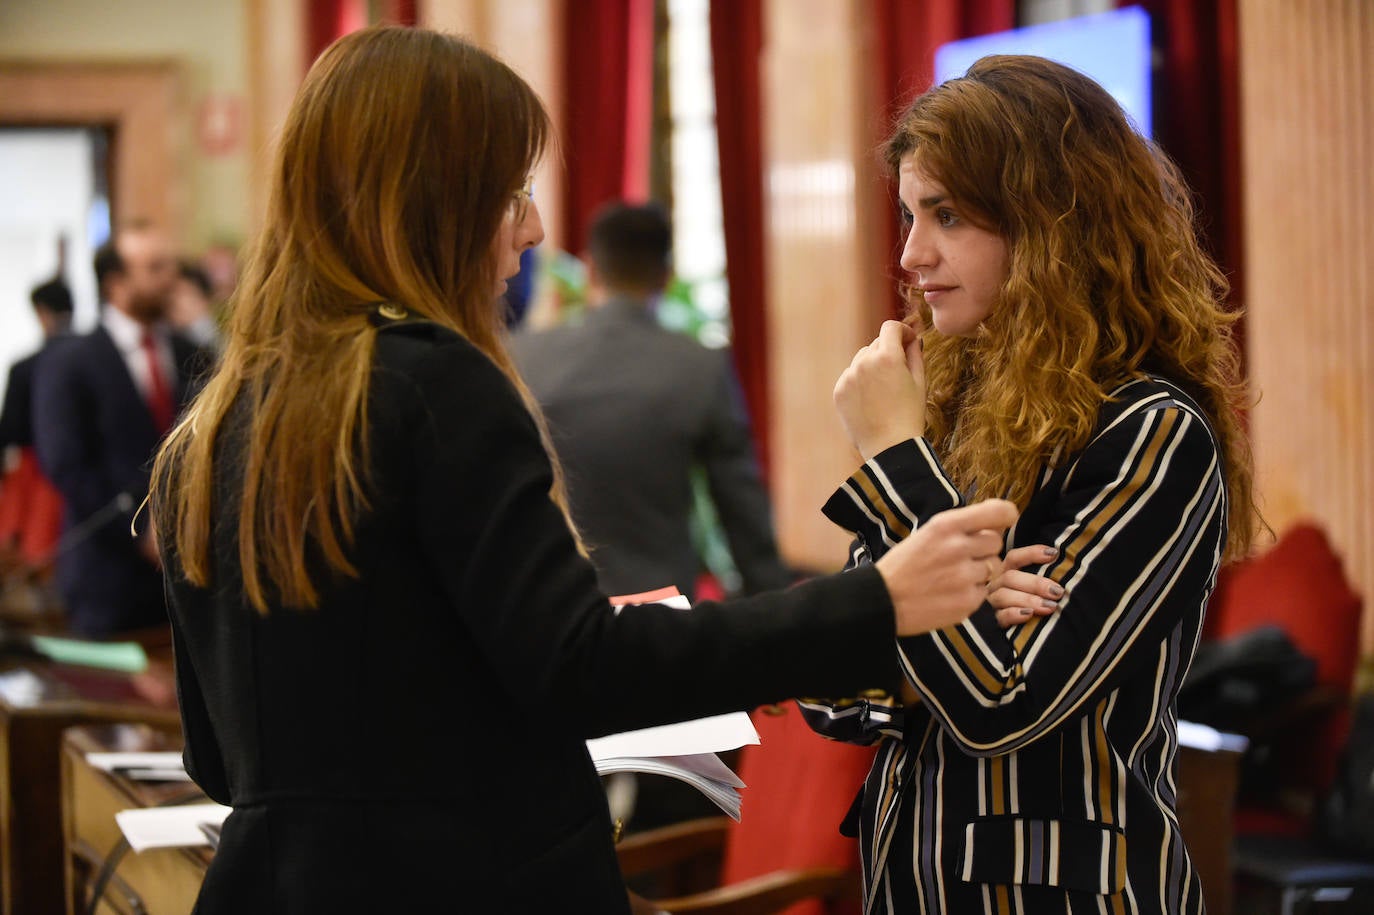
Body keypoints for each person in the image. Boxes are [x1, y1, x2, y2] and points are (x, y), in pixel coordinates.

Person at [147, 27, 1052, 915]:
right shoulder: (431, 382)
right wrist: (878, 598)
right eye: (509, 193)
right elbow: (581, 669)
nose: (535, 228)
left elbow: (220, 756)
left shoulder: (219, 418)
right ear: (431, 200)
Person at [798, 55, 1259, 914]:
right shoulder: (955, 405)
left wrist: (893, 458)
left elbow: (1002, 706)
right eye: (908, 215)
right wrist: (950, 614)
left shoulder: (1152, 430)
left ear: (1053, 225)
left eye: (949, 216)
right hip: (912, 879)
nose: (911, 254)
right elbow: (829, 686)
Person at [511, 201, 791, 602]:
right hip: (660, 616)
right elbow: (742, 509)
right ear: (665, 276)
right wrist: (775, 612)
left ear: (590, 269)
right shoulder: (698, 367)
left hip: (550, 607)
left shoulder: (523, 358)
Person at [33, 223, 210, 636]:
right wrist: (141, 530)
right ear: (116, 284)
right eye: (155, 268)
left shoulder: (189, 350)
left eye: (171, 266)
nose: (171, 279)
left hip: (185, 580)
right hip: (108, 577)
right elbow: (67, 464)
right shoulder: (72, 361)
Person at [0, 278, 73, 572]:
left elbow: (11, 430)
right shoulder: (95, 358)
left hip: (38, 476)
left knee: (37, 558)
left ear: (41, 312)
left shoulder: (27, 367)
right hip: (84, 474)